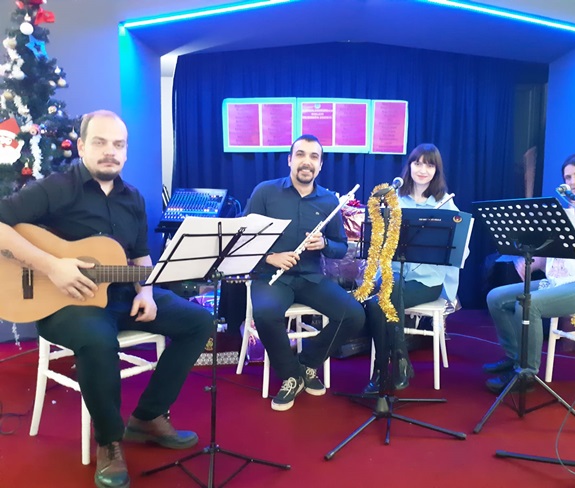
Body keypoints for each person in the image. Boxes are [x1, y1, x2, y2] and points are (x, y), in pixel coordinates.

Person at [0, 110, 213, 488]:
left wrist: (147, 291)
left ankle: (147, 416)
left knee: (199, 321)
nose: (110, 151)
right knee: (99, 340)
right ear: (82, 146)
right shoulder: (56, 187)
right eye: (100, 142)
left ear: (126, 152)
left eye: (118, 144)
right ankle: (110, 442)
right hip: (65, 303)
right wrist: (53, 266)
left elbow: (141, 256)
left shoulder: (134, 198)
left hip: (121, 295)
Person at [483, 151, 575, 394]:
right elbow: (560, 250)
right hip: (559, 281)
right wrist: (532, 261)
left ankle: (526, 373)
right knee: (496, 297)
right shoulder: (566, 208)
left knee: (529, 304)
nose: (573, 181)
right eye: (568, 177)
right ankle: (515, 356)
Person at [244, 134, 365, 412]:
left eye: (313, 157)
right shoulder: (265, 192)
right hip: (271, 276)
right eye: (300, 154)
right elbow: (244, 239)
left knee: (354, 315)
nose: (306, 162)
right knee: (266, 314)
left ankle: (307, 363)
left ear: (320, 165)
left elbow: (340, 248)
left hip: (311, 278)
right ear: (289, 160)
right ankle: (290, 376)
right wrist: (271, 257)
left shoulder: (328, 201)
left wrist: (325, 244)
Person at [363, 143, 461, 394]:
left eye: (429, 165)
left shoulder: (446, 205)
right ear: (409, 166)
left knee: (378, 303)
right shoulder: (394, 200)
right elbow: (378, 242)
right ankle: (400, 361)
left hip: (427, 281)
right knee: (382, 296)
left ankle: (381, 371)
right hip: (392, 274)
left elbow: (459, 250)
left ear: (437, 170)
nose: (422, 170)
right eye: (417, 163)